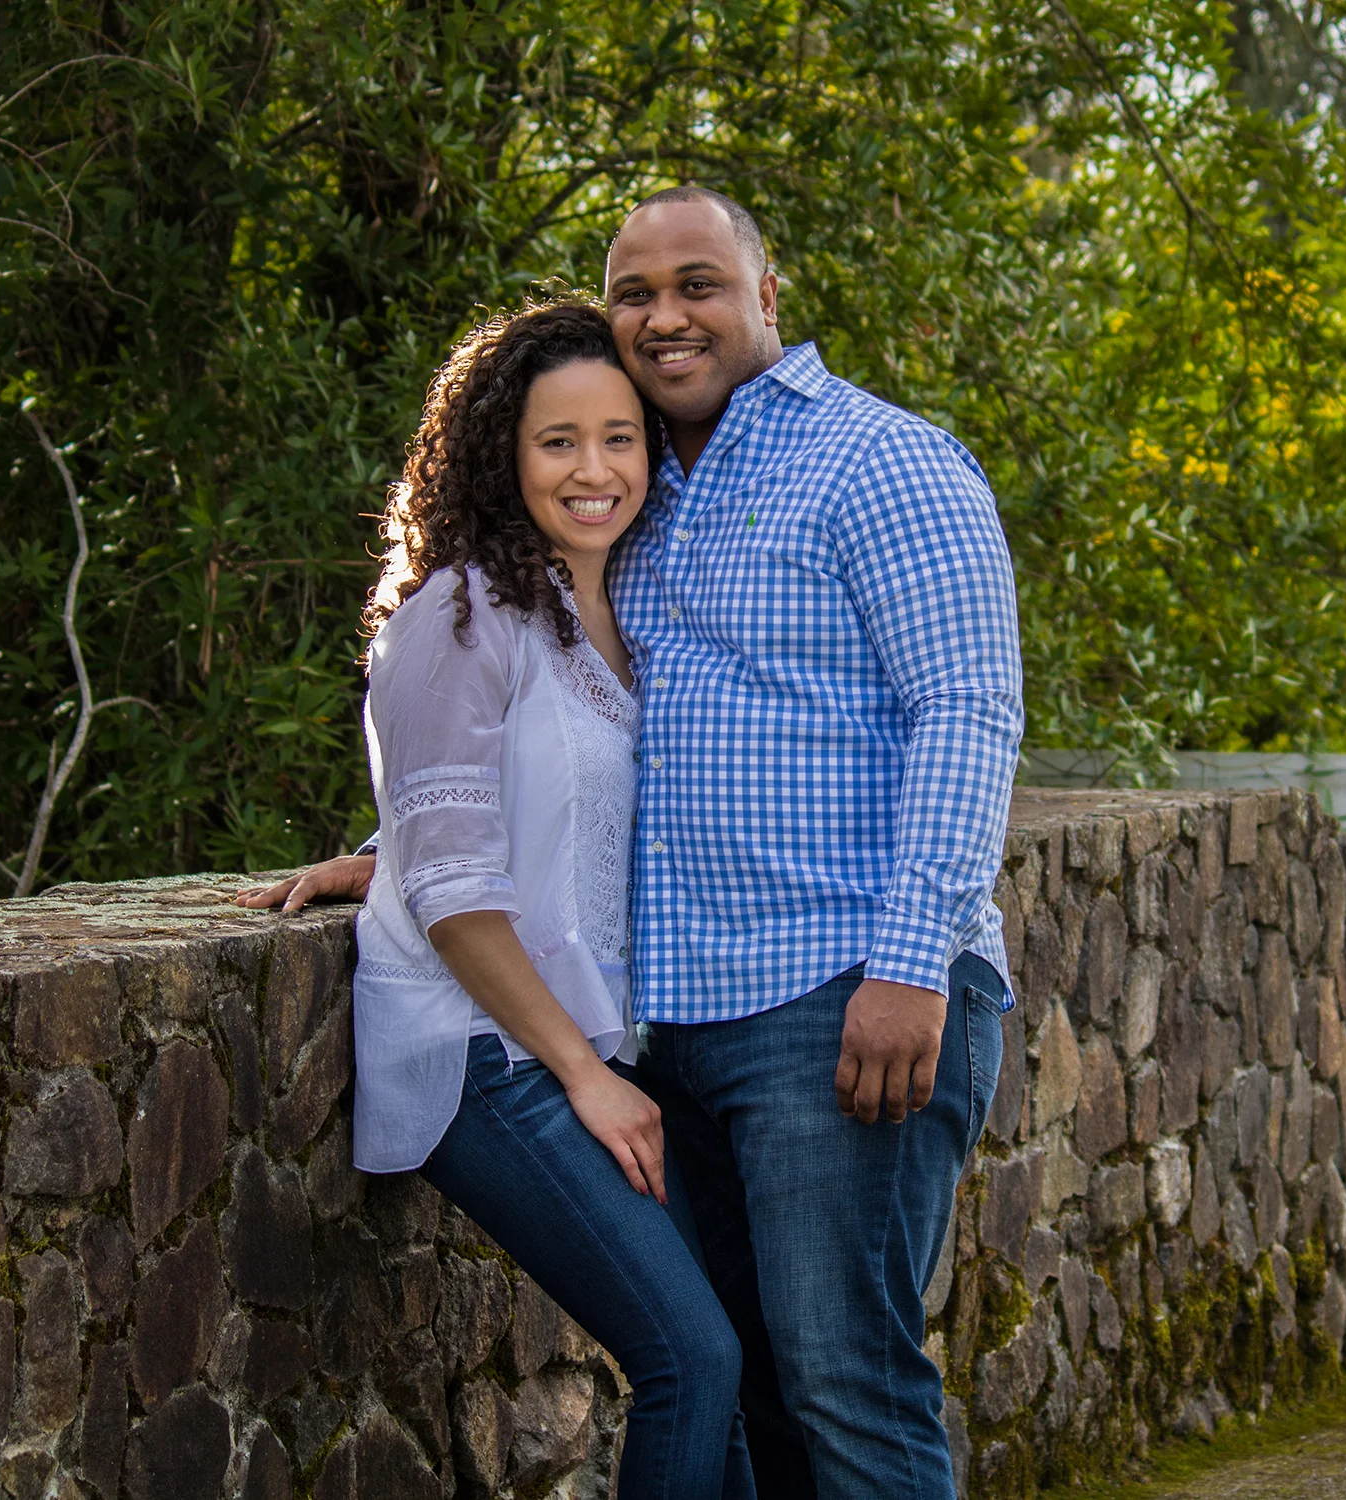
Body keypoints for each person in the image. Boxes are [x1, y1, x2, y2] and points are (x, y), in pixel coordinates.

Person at [261, 186, 1023, 1499]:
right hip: (683, 1028)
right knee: (763, 1394)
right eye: (635, 292)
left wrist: (912, 962)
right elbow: (601, 748)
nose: (666, 316)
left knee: (848, 1384)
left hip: (843, 993)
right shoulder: (645, 493)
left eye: (698, 284)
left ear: (766, 295)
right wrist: (409, 854)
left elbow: (967, 712)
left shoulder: (882, 461)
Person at [243, 301, 754, 1499]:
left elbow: (518, 813)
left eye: (619, 438)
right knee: (690, 1360)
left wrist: (388, 847)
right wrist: (586, 1075)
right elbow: (458, 886)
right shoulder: (463, 615)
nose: (594, 470)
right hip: (490, 1053)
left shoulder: (623, 615)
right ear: (500, 456)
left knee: (726, 1367)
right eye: (557, 441)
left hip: (593, 1044)